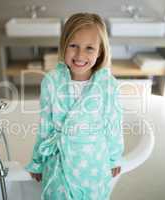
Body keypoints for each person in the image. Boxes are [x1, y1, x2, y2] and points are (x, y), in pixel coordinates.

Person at [25, 12, 124, 200]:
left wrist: (114, 158)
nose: (80, 55)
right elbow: (45, 125)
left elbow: (114, 124)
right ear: (64, 45)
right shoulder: (52, 81)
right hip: (60, 161)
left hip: (93, 161)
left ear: (100, 51)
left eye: (89, 48)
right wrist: (37, 161)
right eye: (73, 46)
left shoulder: (107, 84)